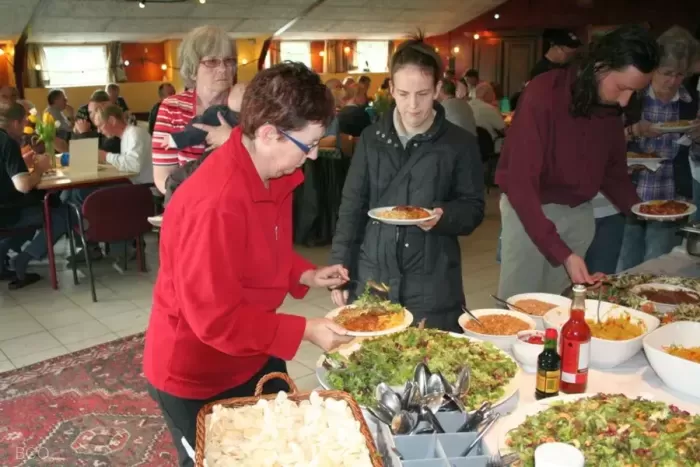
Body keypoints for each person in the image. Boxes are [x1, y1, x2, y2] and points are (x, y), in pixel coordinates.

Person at [143, 62, 352, 467]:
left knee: (280, 451)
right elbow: (215, 321)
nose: (312, 156)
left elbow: (262, 248)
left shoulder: (272, 170)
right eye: (307, 144)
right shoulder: (215, 203)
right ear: (269, 133)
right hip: (196, 371)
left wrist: (304, 273)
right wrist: (306, 329)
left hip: (252, 348)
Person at [329, 37, 485, 332]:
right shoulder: (372, 139)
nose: (412, 106)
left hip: (432, 280)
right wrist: (341, 267)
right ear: (391, 89)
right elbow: (352, 207)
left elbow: (473, 208)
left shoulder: (459, 143)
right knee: (374, 355)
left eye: (423, 94)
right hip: (374, 275)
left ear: (437, 89)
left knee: (428, 356)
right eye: (403, 94)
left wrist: (444, 215)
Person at [496, 25, 660, 299]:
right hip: (530, 211)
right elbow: (520, 184)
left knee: (559, 306)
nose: (624, 101)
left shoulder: (610, 109)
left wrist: (645, 212)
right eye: (622, 87)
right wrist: (563, 253)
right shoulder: (545, 92)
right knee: (519, 306)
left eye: (634, 92)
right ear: (600, 66)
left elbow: (613, 175)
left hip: (578, 214)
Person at [616, 26, 700, 270]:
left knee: (657, 265)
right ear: (653, 69)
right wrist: (633, 131)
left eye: (680, 74)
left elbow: (694, 159)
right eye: (667, 73)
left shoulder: (691, 103)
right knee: (624, 264)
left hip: (672, 197)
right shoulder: (631, 98)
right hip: (628, 193)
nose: (673, 81)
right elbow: (604, 144)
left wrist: (697, 139)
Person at [151, 25, 237, 194]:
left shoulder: (249, 104)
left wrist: (233, 140)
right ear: (192, 70)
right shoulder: (172, 107)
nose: (223, 69)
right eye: (212, 61)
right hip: (189, 200)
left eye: (228, 61)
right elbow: (163, 176)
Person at [0, 101, 71, 289]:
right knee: (62, 214)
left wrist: (21, 164)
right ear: (15, 123)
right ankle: (22, 261)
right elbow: (23, 185)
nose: (25, 128)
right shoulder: (7, 142)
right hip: (8, 213)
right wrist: (40, 169)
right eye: (24, 122)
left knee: (40, 209)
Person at [95, 104, 153, 185]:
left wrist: (106, 156)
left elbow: (133, 166)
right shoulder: (126, 136)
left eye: (100, 125)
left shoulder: (135, 134)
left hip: (146, 187)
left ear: (112, 120)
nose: (98, 131)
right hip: (134, 184)